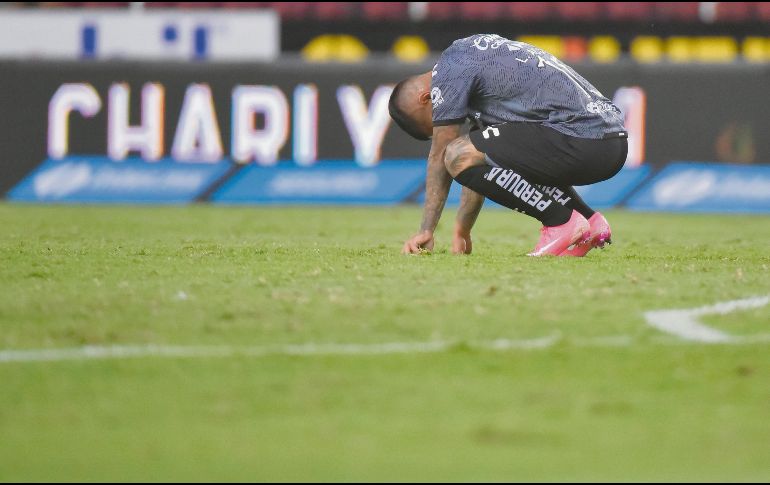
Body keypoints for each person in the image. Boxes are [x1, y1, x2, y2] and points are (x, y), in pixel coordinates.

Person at [389, 34, 628, 257]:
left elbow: (444, 154)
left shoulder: (449, 73)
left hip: (582, 139)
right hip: (609, 143)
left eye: (434, 121)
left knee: (453, 152)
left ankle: (559, 221)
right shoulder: (475, 59)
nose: (444, 122)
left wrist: (426, 230)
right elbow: (479, 158)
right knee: (471, 150)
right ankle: (590, 221)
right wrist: (462, 231)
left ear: (425, 99)